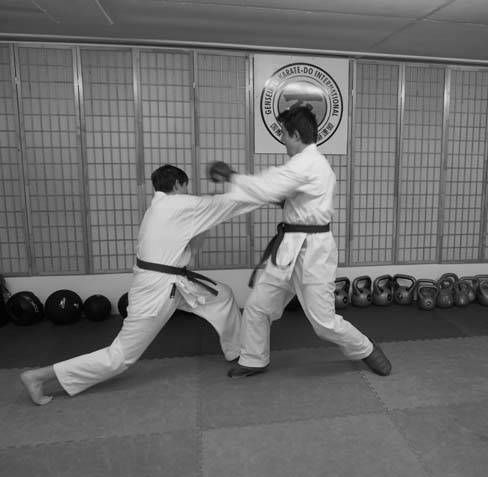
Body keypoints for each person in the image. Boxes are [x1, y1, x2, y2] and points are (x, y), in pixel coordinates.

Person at [20, 164, 263, 405]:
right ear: (178, 184)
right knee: (119, 358)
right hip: (156, 291)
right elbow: (229, 203)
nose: (188, 192)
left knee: (222, 296)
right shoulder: (176, 205)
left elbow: (193, 247)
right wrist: (269, 192)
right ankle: (39, 377)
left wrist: (206, 219)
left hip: (174, 283)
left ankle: (238, 351)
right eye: (186, 187)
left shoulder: (160, 209)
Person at [208, 105, 392, 378]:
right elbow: (284, 196)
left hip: (313, 250)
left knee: (323, 323)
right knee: (258, 305)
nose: (282, 140)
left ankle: (365, 348)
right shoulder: (304, 164)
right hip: (289, 247)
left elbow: (270, 186)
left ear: (295, 135)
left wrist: (232, 176)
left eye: (284, 134)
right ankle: (254, 358)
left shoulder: (308, 164)